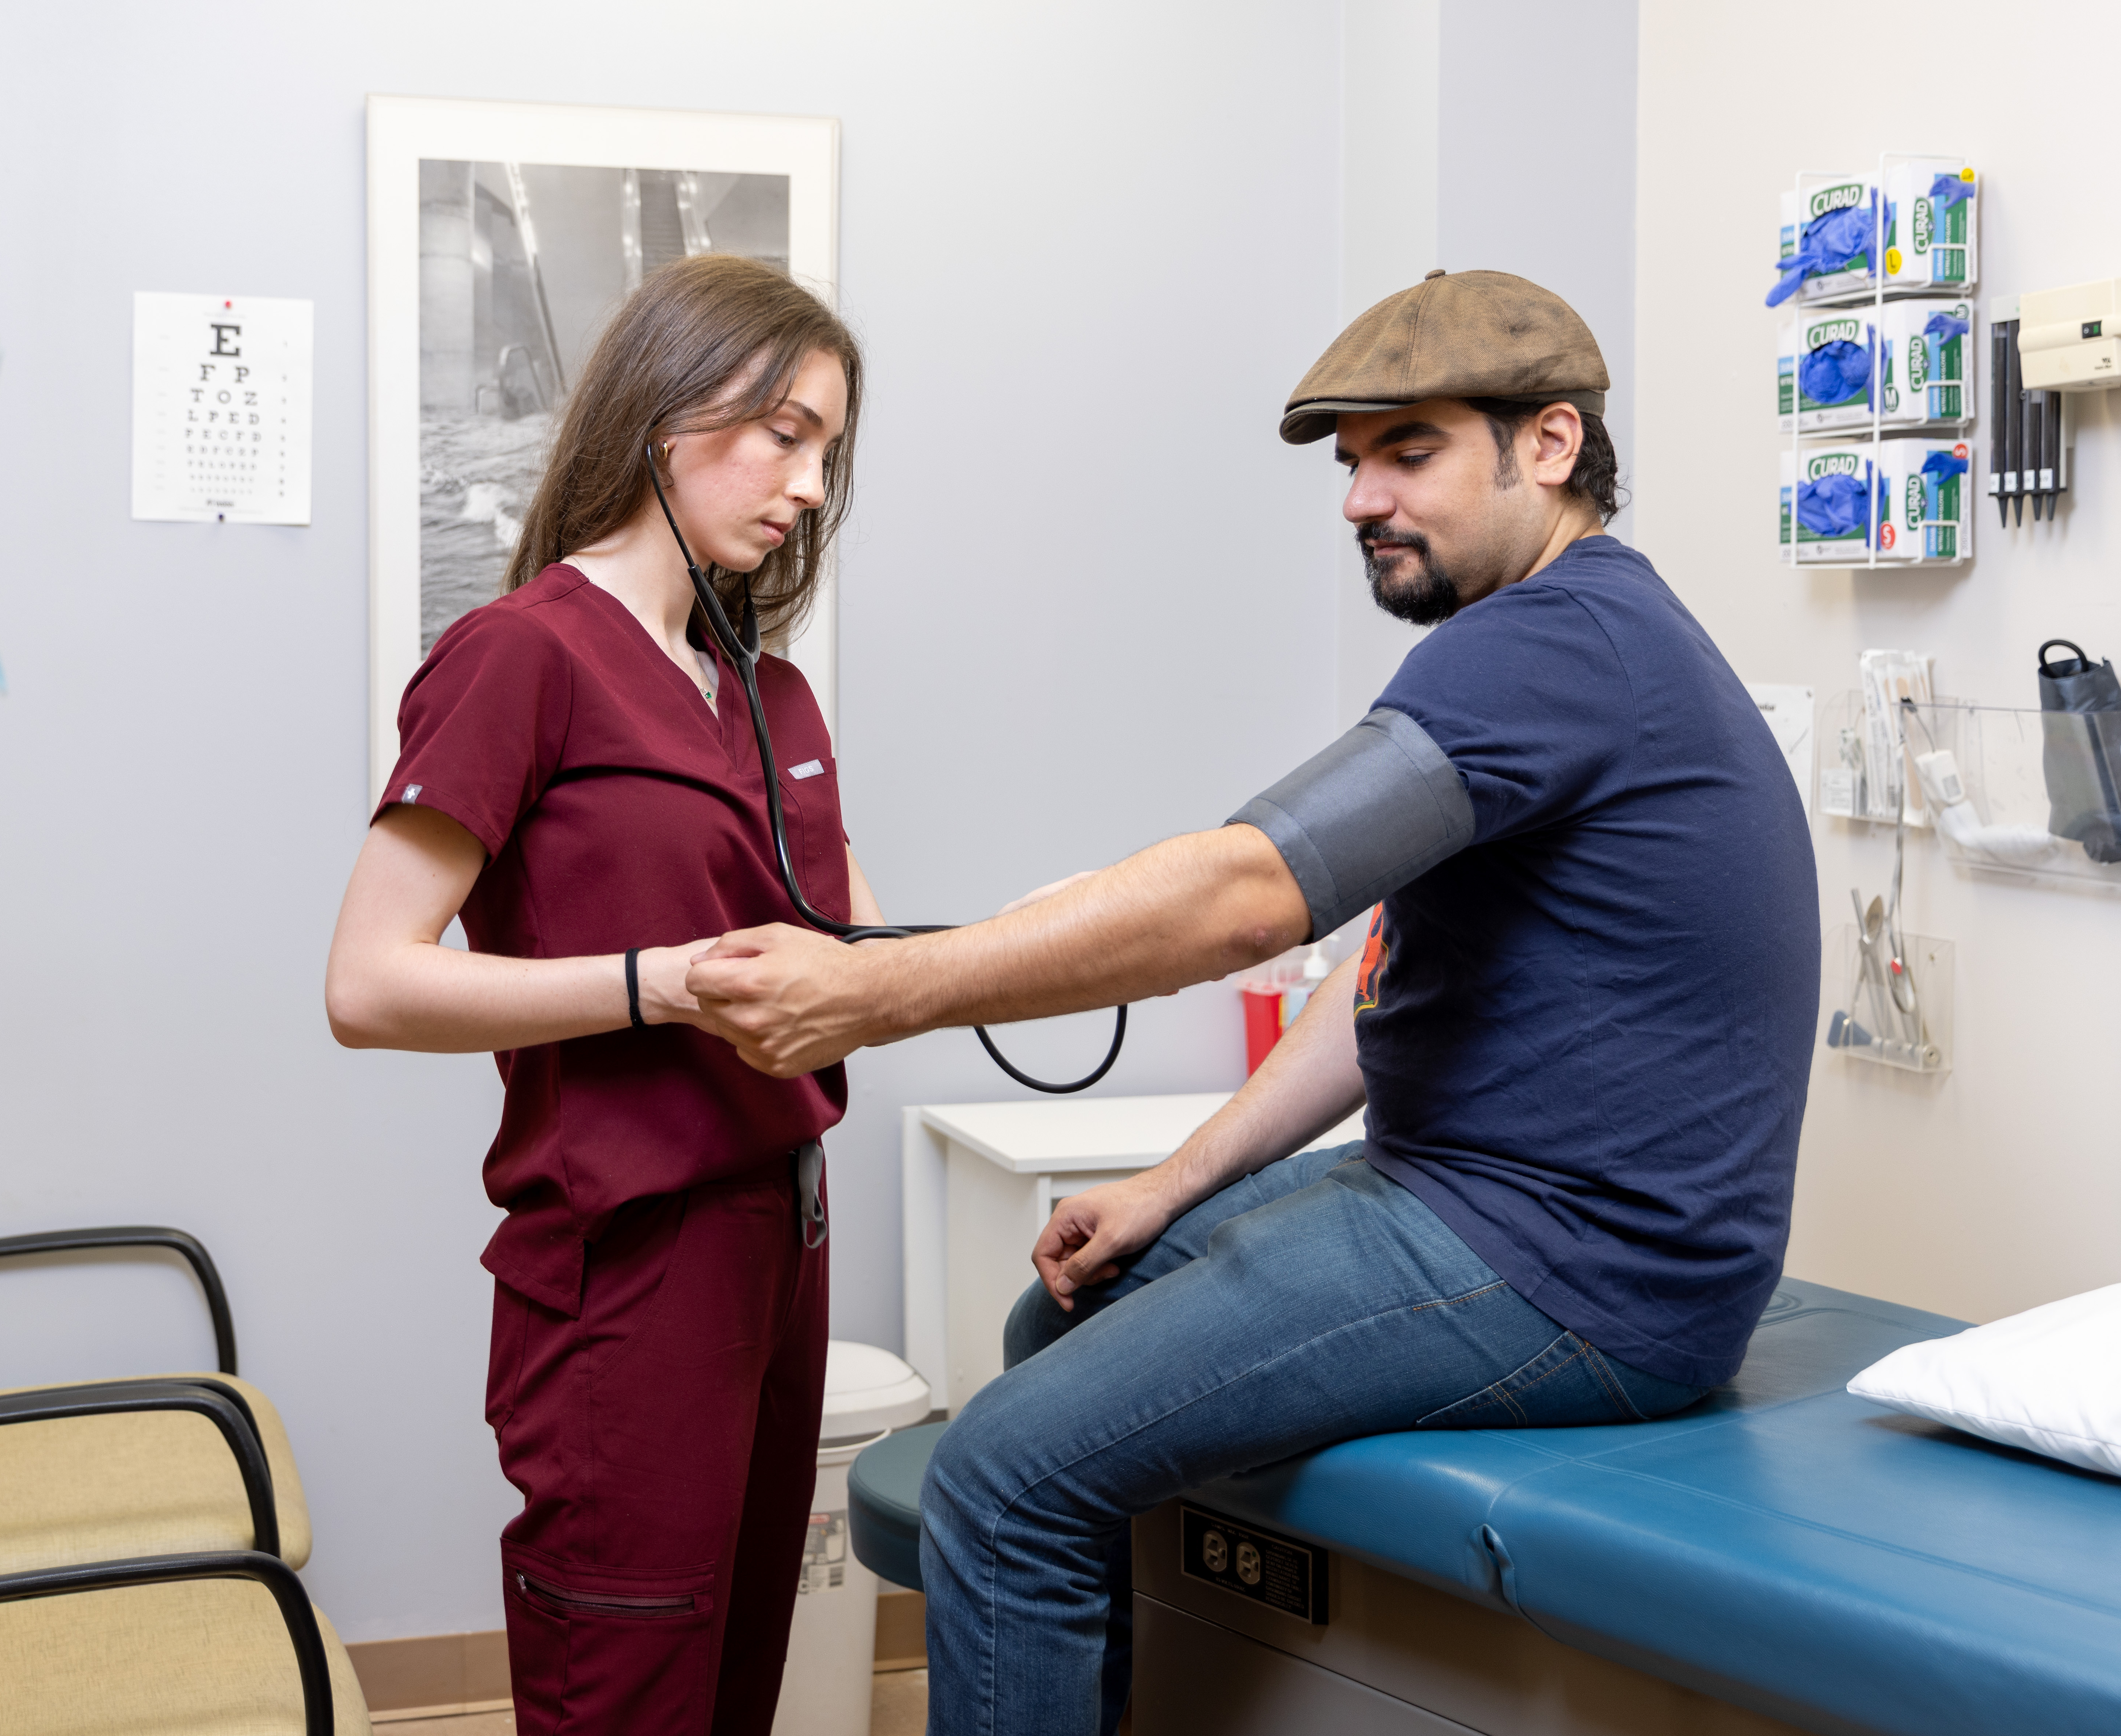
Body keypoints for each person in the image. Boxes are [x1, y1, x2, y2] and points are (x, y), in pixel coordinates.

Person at [686, 269, 1820, 1736]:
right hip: (1484, 1201)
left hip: (1582, 1272)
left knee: (996, 1477)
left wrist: (869, 989)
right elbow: (1381, 989)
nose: (1358, 497)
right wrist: (1169, 1182)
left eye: (1404, 451)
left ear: (1547, 446)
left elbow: (1241, 895)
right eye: (1350, 463)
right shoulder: (1552, 645)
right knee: (1057, 1315)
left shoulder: (1552, 647)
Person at [324, 253, 880, 1736]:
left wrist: (1072, 938)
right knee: (625, 1687)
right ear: (664, 407)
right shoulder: (522, 656)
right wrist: (660, 988)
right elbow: (368, 981)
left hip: (787, 1228)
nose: (808, 483)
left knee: (735, 1676)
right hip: (628, 1260)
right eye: (782, 431)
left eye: (827, 449)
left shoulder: (768, 695)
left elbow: (864, 954)